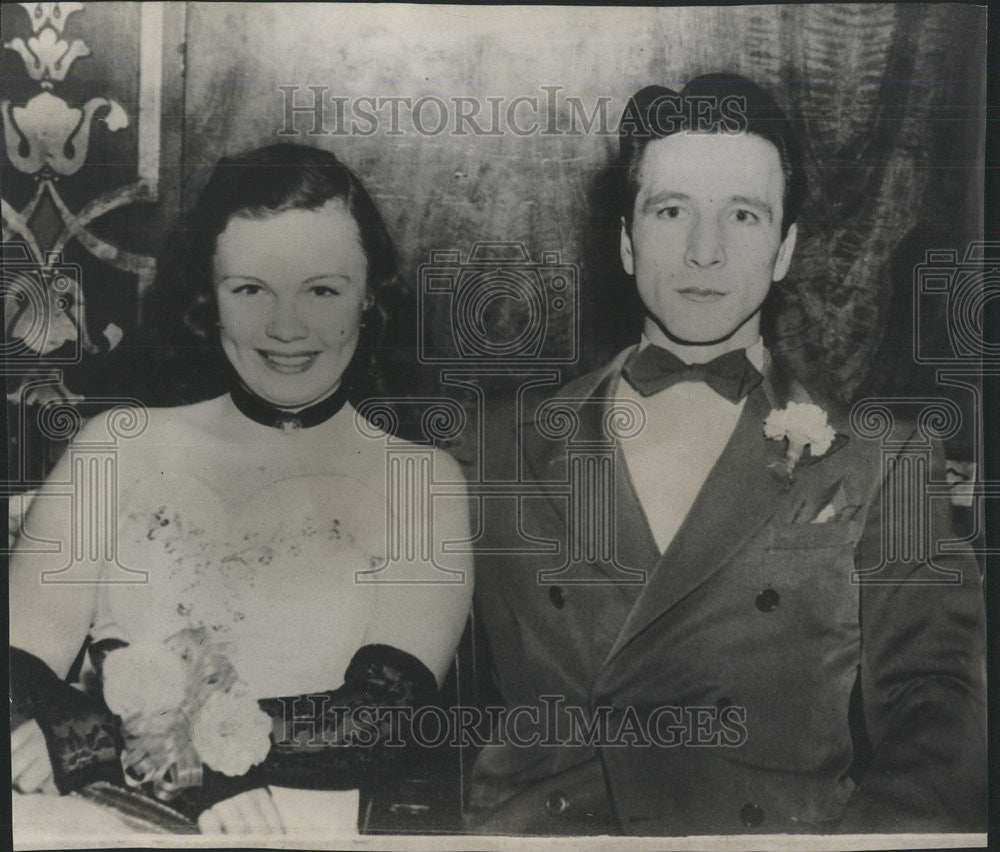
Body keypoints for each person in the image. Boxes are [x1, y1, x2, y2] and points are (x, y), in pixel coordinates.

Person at [468, 74, 986, 835]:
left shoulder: (885, 459)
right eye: (671, 210)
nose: (703, 252)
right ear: (625, 238)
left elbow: (945, 708)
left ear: (785, 249)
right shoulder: (494, 445)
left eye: (742, 215)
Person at [9, 143, 472, 836]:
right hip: (94, 817)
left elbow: (378, 718)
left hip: (286, 829)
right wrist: (163, 781)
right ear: (210, 296)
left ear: (369, 293)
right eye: (251, 289)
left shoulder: (420, 482)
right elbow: (17, 666)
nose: (287, 328)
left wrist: (153, 750)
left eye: (322, 289)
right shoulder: (116, 445)